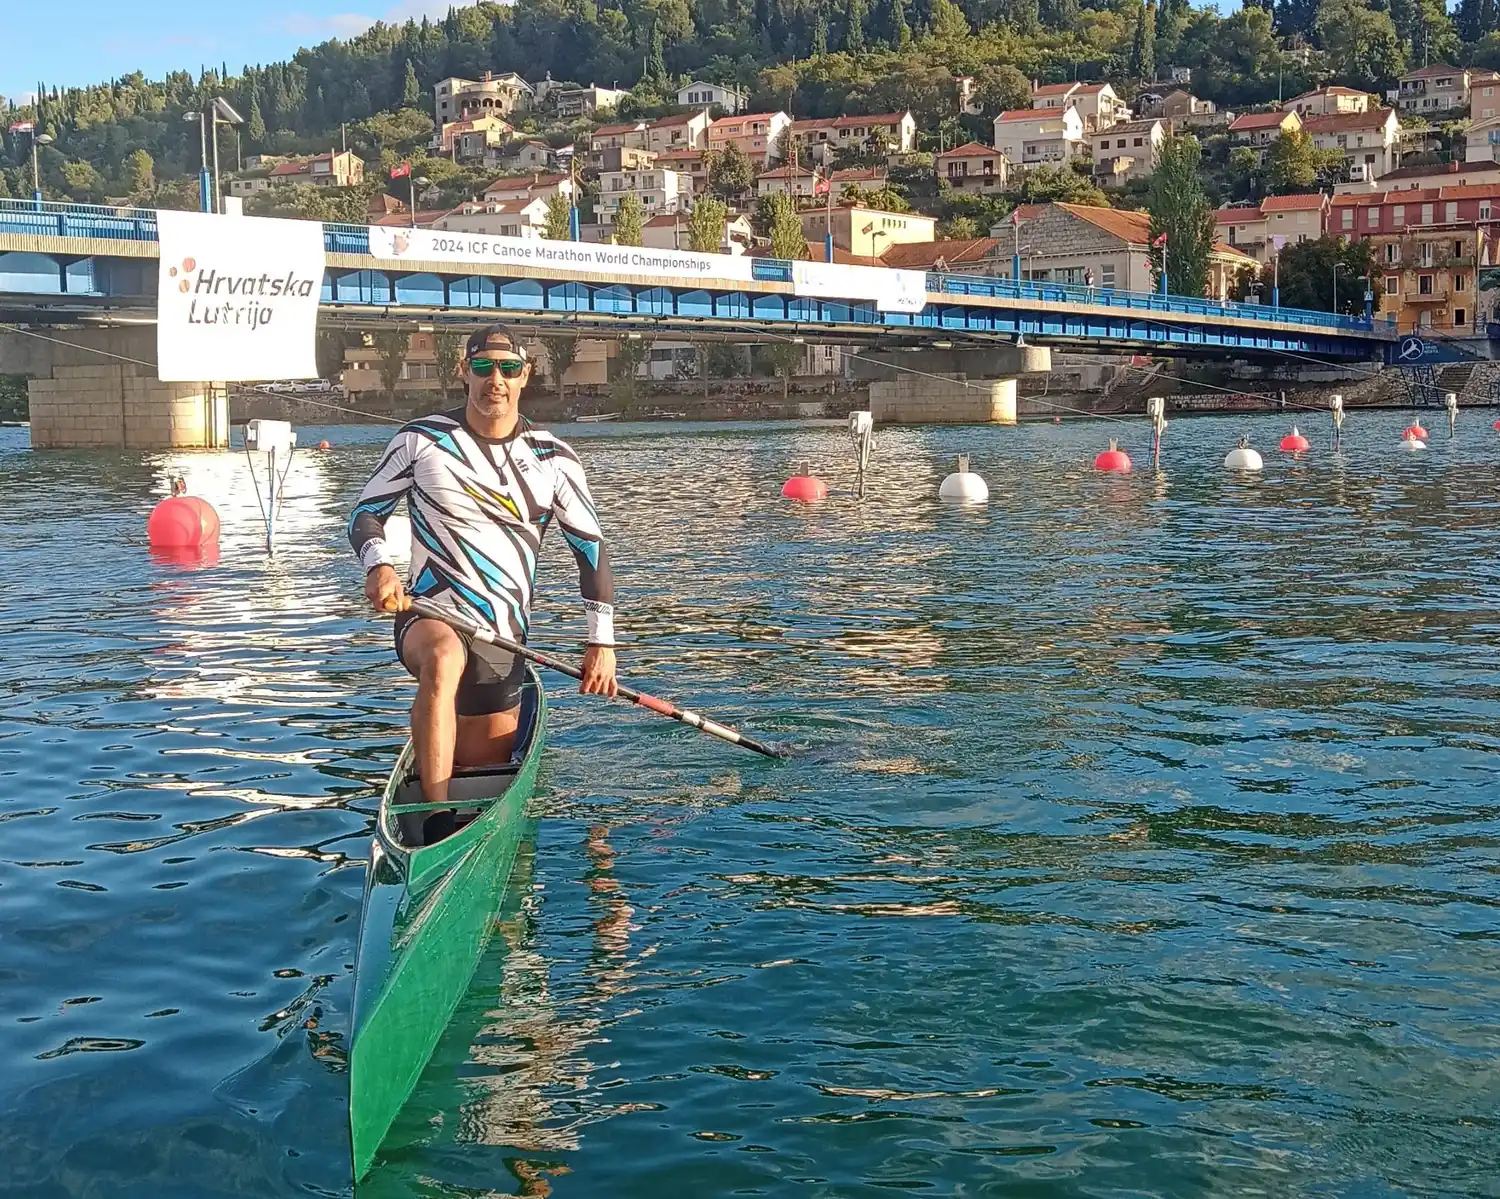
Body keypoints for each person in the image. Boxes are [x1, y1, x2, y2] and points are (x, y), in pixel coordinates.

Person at [348, 324, 618, 807]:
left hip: (503, 637)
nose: (496, 378)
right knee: (443, 660)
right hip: (430, 613)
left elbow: (591, 550)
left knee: (478, 774)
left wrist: (601, 642)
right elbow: (366, 513)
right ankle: (431, 819)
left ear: (524, 377)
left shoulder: (554, 457)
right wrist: (378, 566)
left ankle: (457, 808)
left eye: (508, 368)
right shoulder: (421, 441)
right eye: (483, 367)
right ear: (463, 372)